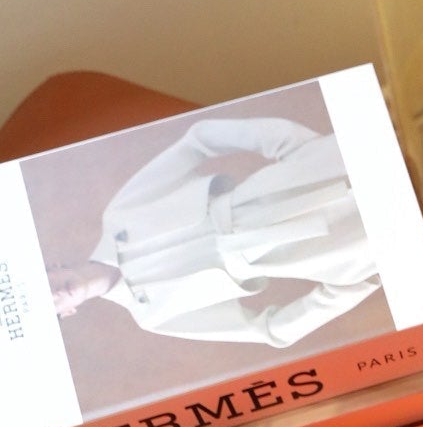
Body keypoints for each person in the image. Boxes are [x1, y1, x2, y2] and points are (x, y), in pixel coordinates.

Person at [47, 114, 381, 347]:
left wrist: (302, 149)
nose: (54, 295)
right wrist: (353, 282)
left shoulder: (120, 215)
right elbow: (270, 330)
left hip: (294, 180)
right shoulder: (153, 316)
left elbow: (199, 140)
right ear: (67, 313)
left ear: (53, 267)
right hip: (329, 249)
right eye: (52, 309)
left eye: (43, 288)